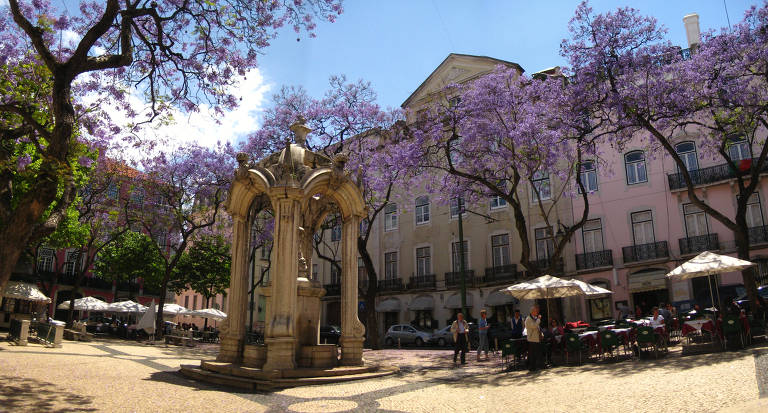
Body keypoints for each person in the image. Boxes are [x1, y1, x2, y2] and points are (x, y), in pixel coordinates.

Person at [525, 305, 542, 373]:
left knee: (535, 353)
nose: (537, 312)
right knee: (532, 354)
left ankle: (535, 366)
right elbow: (534, 326)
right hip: (532, 338)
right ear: (532, 311)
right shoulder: (528, 318)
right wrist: (539, 319)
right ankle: (532, 367)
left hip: (536, 338)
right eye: (535, 311)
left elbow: (537, 327)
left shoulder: (534, 318)